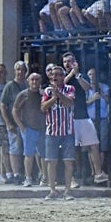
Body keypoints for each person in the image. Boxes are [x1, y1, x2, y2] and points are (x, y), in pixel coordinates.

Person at [62, 52, 108, 185]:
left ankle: (98, 173)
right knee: (71, 148)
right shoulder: (62, 76)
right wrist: (71, 74)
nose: (67, 64)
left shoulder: (79, 76)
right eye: (65, 62)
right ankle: (71, 178)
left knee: (94, 144)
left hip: (82, 116)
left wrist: (77, 75)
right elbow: (61, 86)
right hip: (69, 117)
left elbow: (87, 88)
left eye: (70, 61)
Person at [41, 65, 76, 200]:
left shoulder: (70, 89)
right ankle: (52, 190)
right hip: (51, 131)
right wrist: (54, 98)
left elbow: (69, 102)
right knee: (52, 162)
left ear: (63, 76)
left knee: (68, 162)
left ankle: (67, 191)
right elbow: (43, 108)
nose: (55, 77)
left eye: (59, 75)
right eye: (53, 75)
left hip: (67, 131)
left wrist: (59, 94)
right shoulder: (47, 91)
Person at [12, 72, 45, 187]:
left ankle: (44, 177)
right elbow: (15, 110)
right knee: (29, 154)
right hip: (29, 128)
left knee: (43, 154)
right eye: (32, 80)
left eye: (37, 79)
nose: (35, 82)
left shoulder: (44, 94)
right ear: (28, 81)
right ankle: (28, 177)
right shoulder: (23, 95)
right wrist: (20, 125)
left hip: (42, 128)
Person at [0, 60, 28, 185]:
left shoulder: (29, 84)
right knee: (15, 148)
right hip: (13, 122)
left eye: (22, 69)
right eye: (18, 69)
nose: (20, 72)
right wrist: (7, 122)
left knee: (28, 149)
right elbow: (2, 105)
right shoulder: (10, 86)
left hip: (28, 122)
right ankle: (16, 174)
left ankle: (26, 174)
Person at [86, 68, 110, 171]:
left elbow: (110, 101)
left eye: (94, 74)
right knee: (90, 147)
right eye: (90, 74)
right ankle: (94, 172)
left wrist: (102, 93)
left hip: (103, 119)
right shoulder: (86, 88)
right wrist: (92, 99)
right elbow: (83, 104)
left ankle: (99, 170)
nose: (92, 76)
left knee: (102, 146)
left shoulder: (104, 87)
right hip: (90, 120)